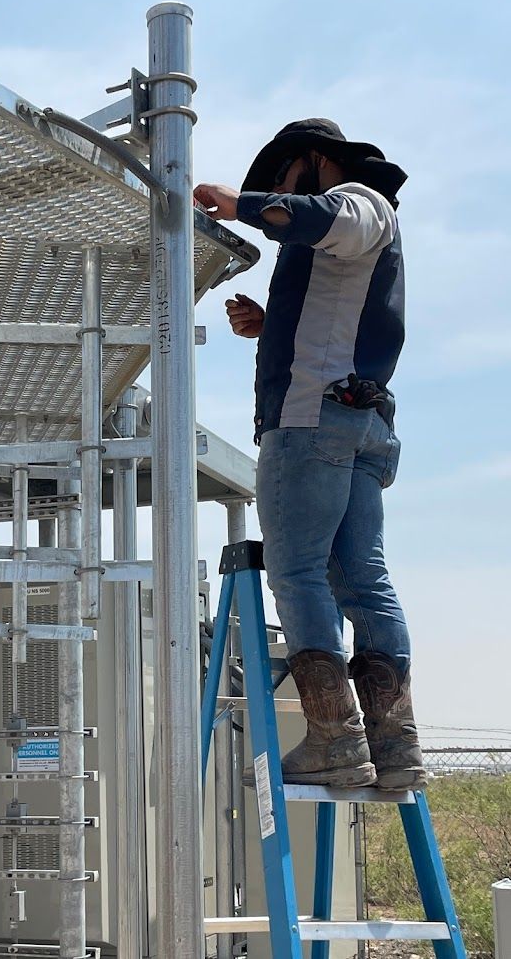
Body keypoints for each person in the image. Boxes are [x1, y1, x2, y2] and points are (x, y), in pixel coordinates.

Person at [194, 119, 426, 790]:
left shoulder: (359, 201)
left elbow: (335, 220)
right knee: (361, 577)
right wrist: (270, 328)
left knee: (296, 572)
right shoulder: (362, 229)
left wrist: (237, 204)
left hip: (309, 423)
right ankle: (392, 747)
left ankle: (332, 738)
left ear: (312, 161)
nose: (275, 195)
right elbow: (340, 319)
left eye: (283, 180)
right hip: (358, 423)